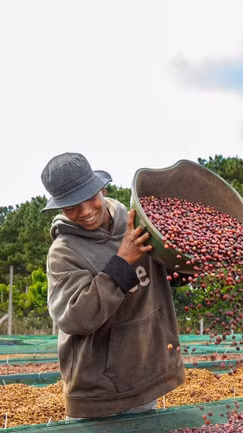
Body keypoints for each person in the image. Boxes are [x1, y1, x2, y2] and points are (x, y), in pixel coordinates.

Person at [41, 152, 186, 419]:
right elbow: (76, 318)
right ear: (60, 207)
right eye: (72, 206)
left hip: (146, 373)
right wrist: (123, 261)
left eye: (89, 198)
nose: (84, 212)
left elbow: (165, 275)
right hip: (97, 391)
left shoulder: (139, 224)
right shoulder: (64, 252)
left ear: (102, 189)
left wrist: (186, 267)